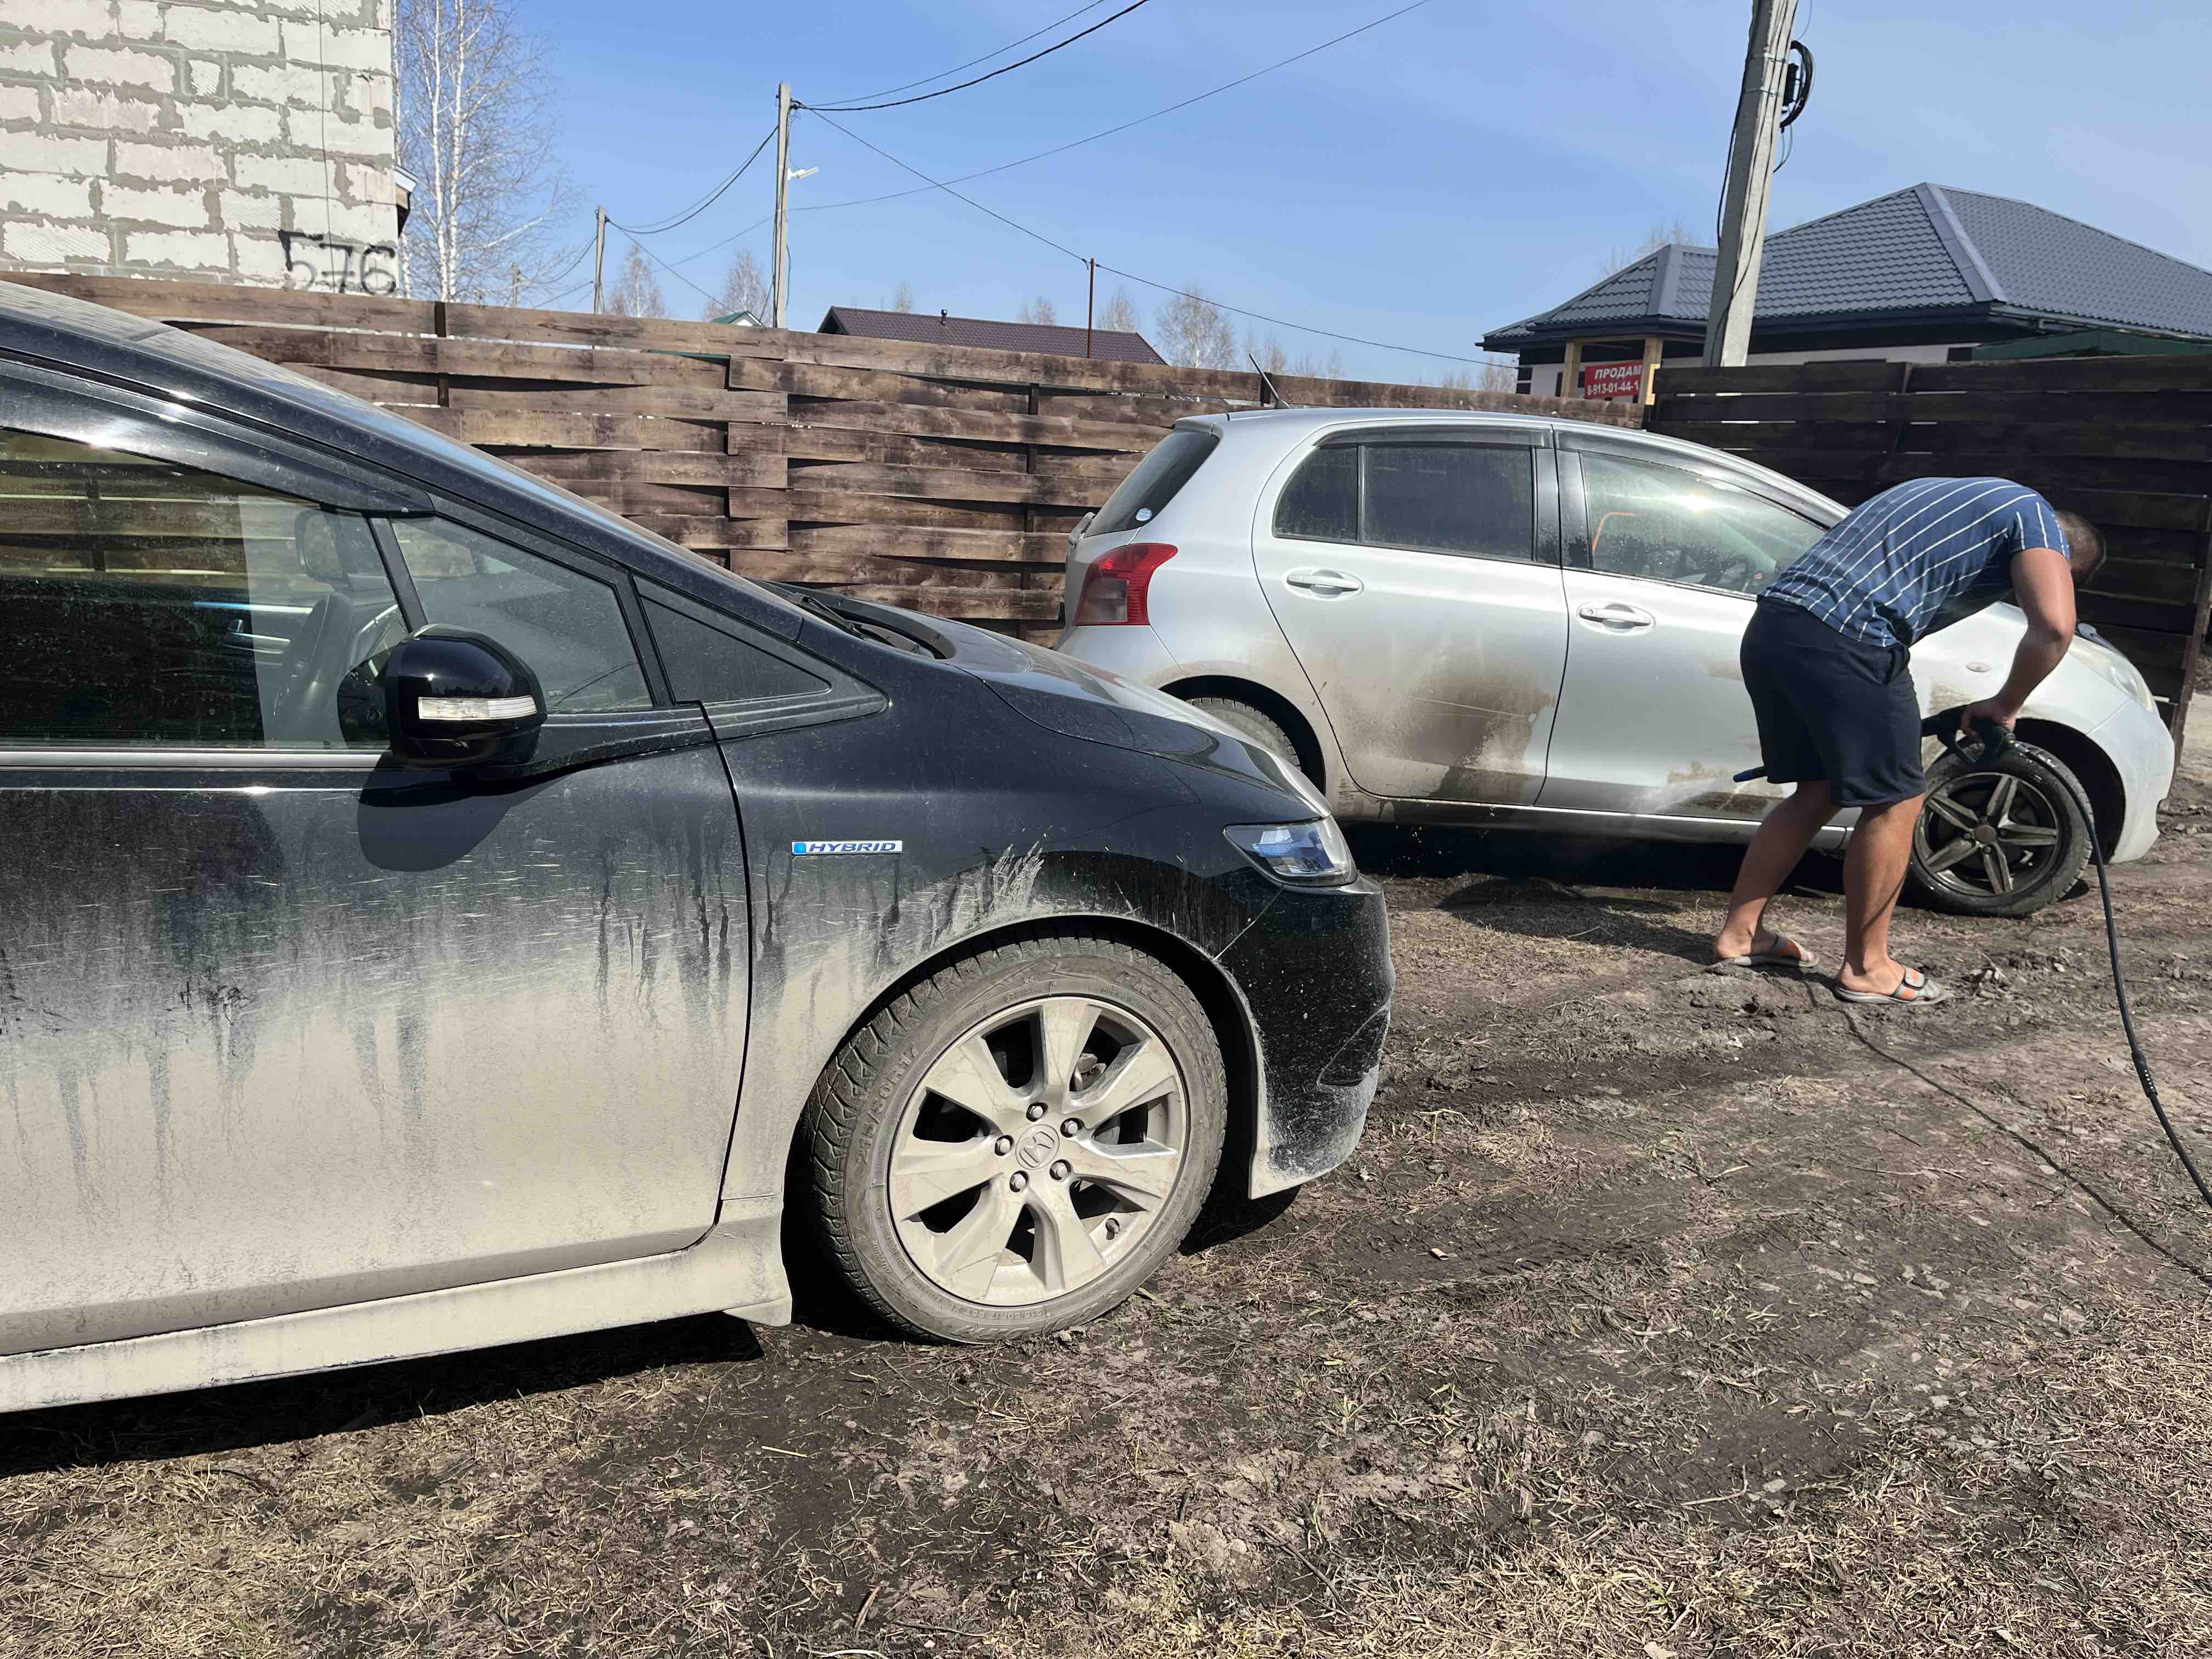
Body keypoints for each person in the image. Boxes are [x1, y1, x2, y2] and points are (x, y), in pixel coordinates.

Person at [1710, 476, 2104, 1006]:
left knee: (1818, 789)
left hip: (1775, 626)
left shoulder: (1947, 494)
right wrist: (2006, 704)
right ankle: (1869, 967)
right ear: (2063, 556)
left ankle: (1741, 935)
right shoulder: (2032, 515)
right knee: (1897, 799)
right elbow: (2055, 626)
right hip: (1853, 636)